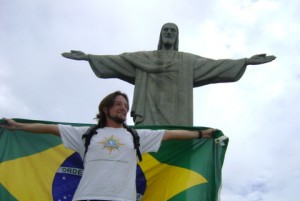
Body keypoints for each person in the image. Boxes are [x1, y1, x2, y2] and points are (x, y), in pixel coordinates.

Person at [1, 91, 216, 201]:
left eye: (126, 106)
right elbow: (50, 129)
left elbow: (170, 135)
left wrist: (200, 134)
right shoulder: (87, 134)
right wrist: (18, 126)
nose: (123, 108)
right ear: (105, 108)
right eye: (119, 104)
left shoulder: (136, 136)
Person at [62, 22, 276, 126]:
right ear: (160, 35)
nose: (169, 33)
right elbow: (118, 61)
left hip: (177, 118)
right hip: (148, 116)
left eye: (173, 31)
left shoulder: (187, 61)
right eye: (166, 30)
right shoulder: (144, 58)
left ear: (177, 37)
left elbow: (215, 66)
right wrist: (89, 57)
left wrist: (245, 61)